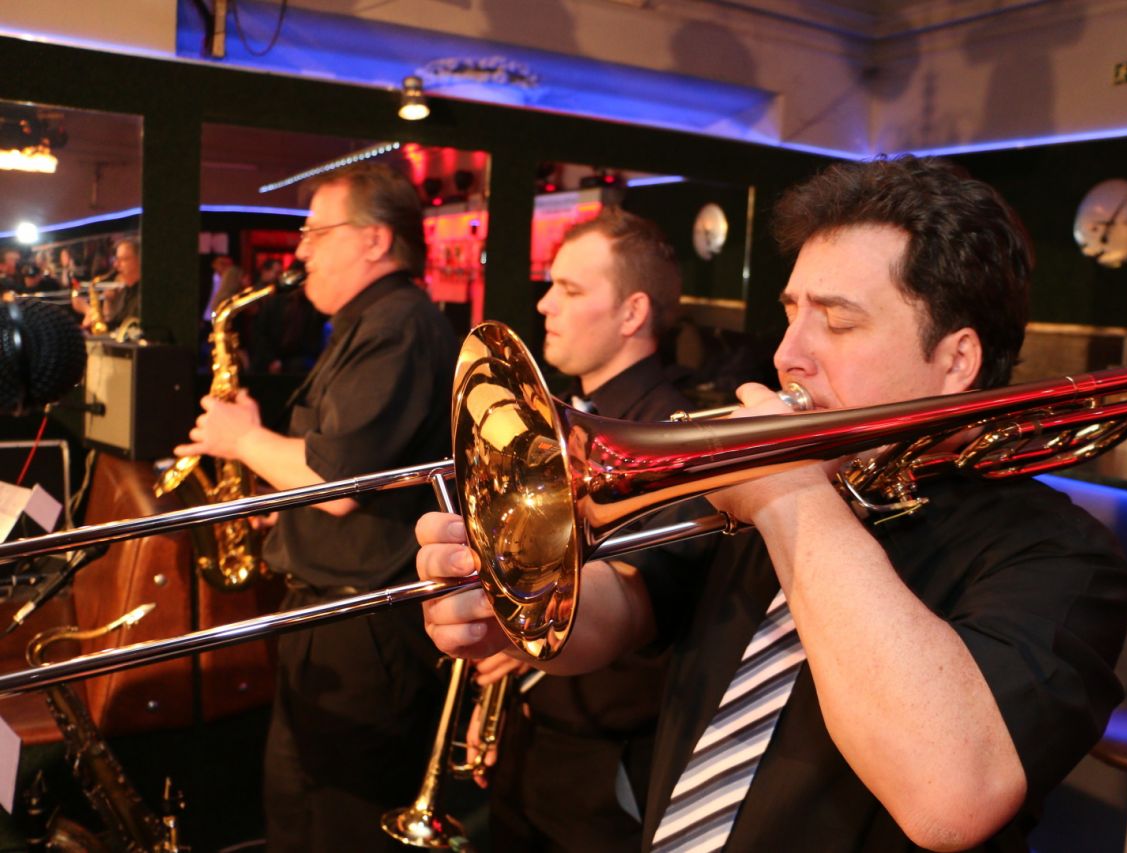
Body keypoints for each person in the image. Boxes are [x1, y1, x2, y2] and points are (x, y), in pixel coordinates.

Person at [414, 155, 1127, 851]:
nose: (789, 353)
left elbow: (950, 797)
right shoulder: (783, 481)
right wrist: (516, 594)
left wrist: (791, 496)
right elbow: (627, 604)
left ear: (956, 360)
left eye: (839, 321)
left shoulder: (1062, 556)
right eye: (792, 313)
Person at [173, 162, 458, 852]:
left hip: (366, 629)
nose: (300, 251)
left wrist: (243, 440)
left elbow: (338, 487)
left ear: (375, 240)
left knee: (342, 827)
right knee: (296, 817)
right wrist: (283, 506)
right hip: (333, 619)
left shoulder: (397, 325)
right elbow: (350, 471)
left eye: (315, 233)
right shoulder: (369, 324)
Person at [475, 208, 696, 851]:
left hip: (602, 767)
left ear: (632, 314)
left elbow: (649, 603)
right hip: (533, 738)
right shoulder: (560, 418)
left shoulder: (672, 436)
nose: (545, 305)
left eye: (570, 290)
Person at [71, 237, 141, 331]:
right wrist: (108, 304)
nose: (116, 265)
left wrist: (88, 310)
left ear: (140, 260)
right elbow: (114, 326)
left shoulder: (144, 295)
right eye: (117, 259)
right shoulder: (123, 290)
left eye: (124, 259)